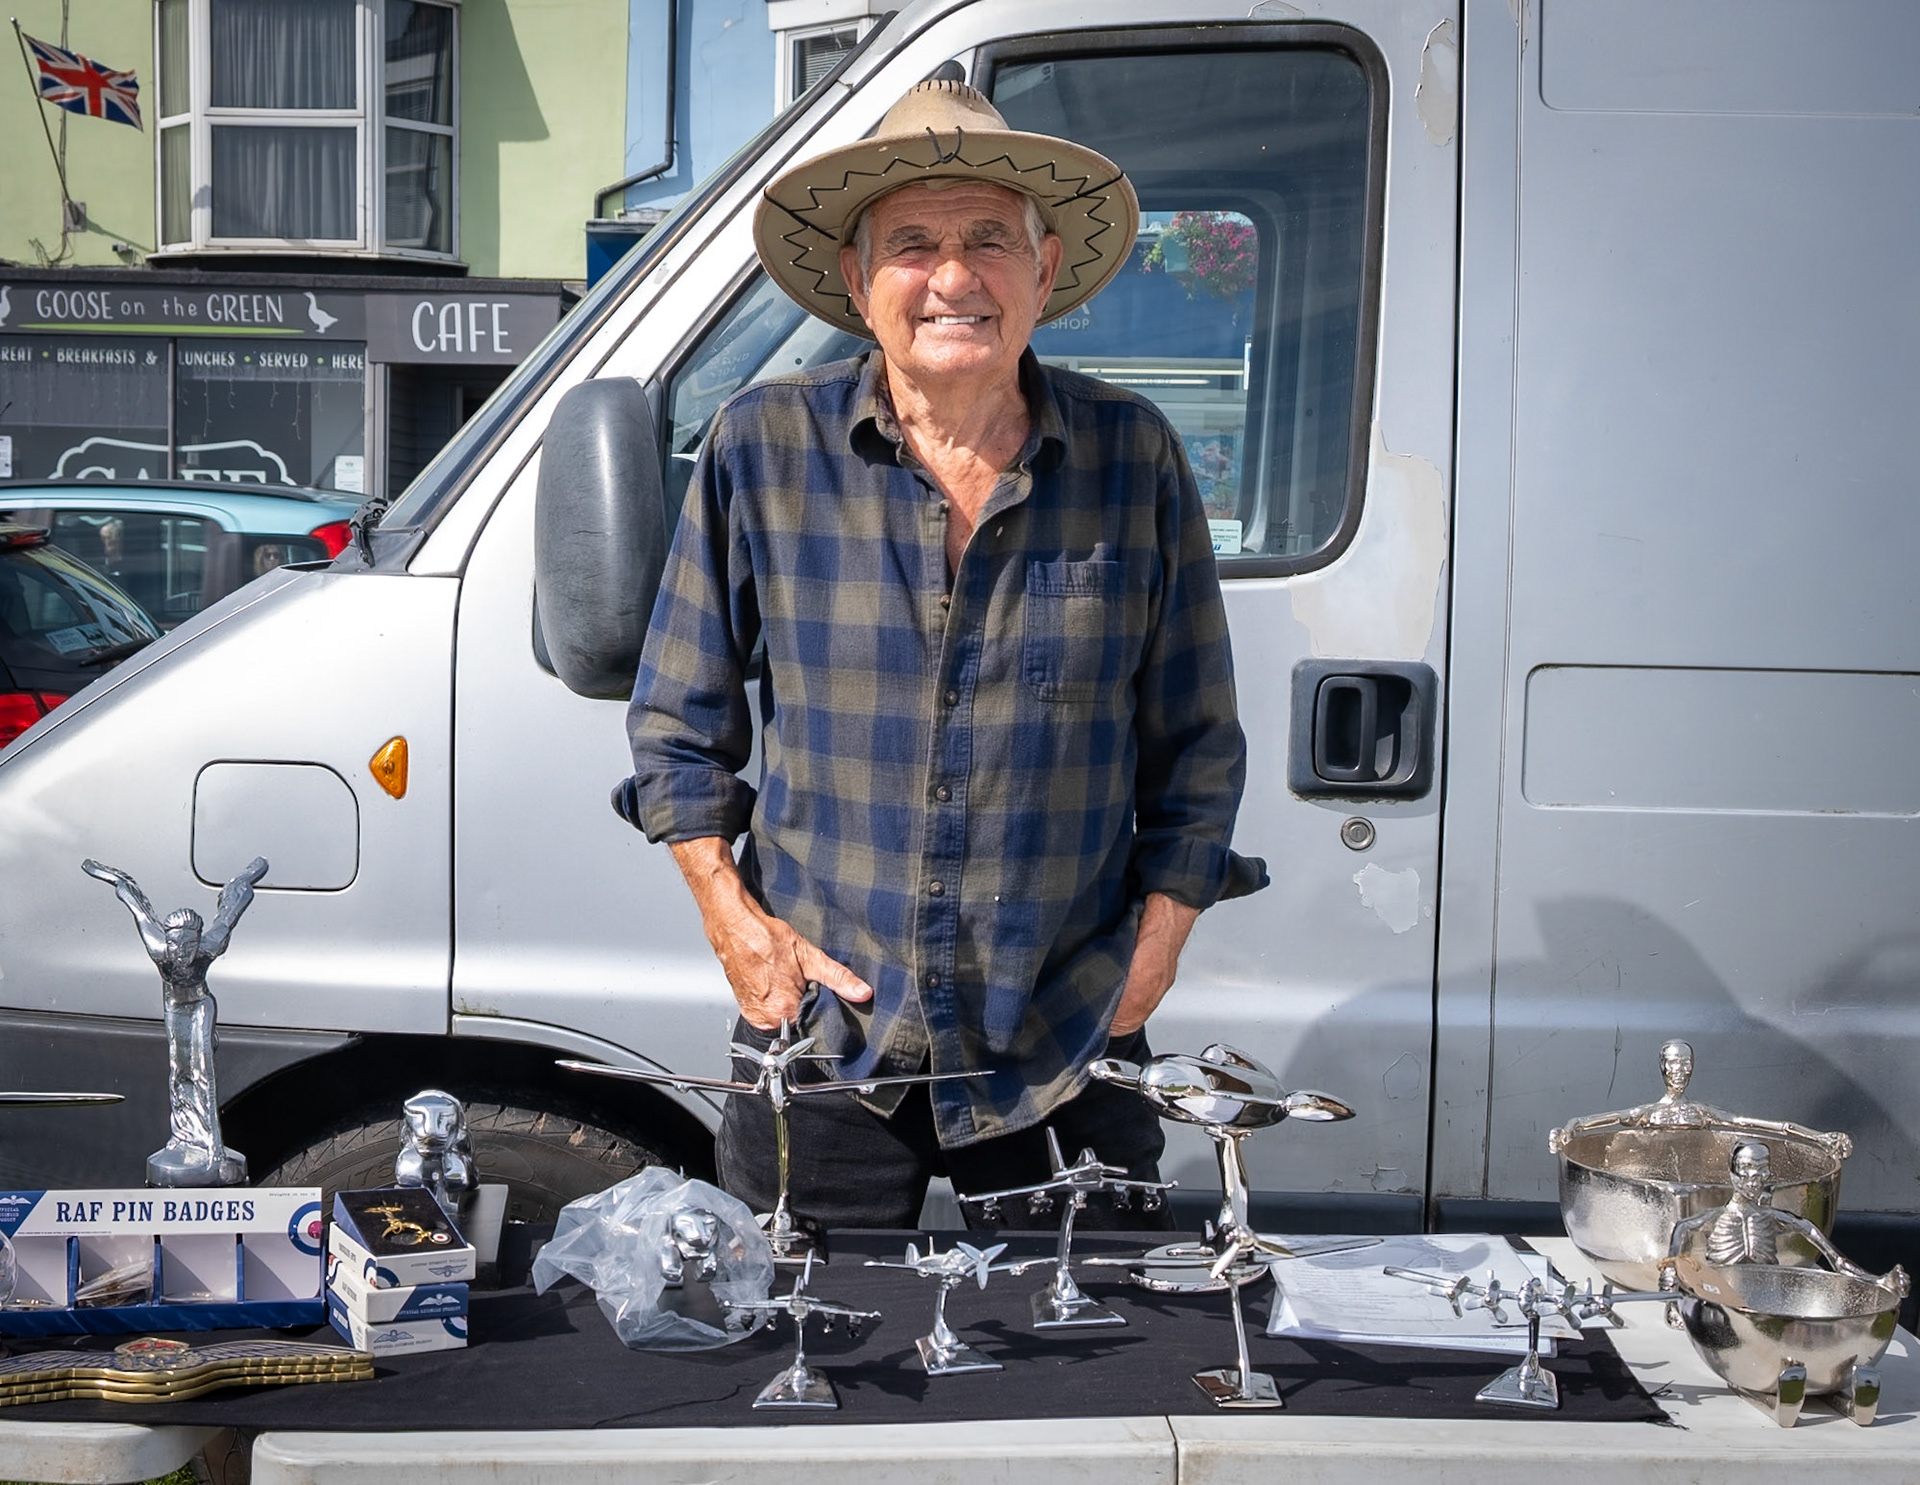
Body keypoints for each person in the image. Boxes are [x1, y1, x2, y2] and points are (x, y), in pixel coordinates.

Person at [618, 79, 1264, 1230]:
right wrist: (733, 920)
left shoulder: (1133, 458)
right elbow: (676, 727)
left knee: (1093, 1377)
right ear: (861, 282)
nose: (953, 277)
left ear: (1045, 270)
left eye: (987, 243)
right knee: (801, 1363)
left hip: (1066, 1028)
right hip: (825, 1030)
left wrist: (1156, 950)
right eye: (912, 244)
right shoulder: (762, 447)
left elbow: (1198, 747)